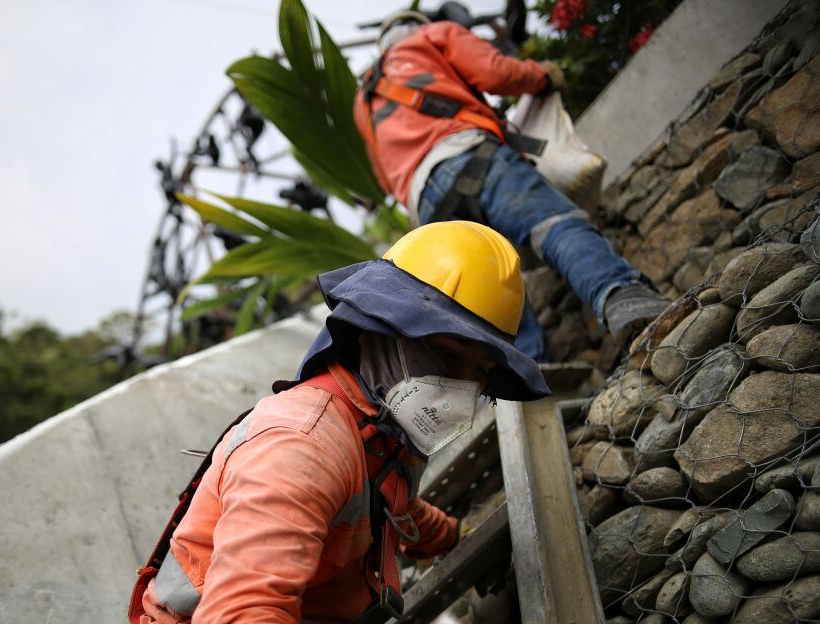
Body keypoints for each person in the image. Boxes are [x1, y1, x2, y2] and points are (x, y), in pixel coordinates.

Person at [129, 221, 550, 623]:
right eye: (449, 355)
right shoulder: (301, 447)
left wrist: (457, 536)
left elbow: (390, 504)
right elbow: (244, 610)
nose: (462, 385)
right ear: (380, 331)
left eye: (479, 372)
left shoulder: (377, 432)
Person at [353, 10, 668, 356]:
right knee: (555, 226)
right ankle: (624, 298)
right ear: (415, 26)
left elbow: (384, 177)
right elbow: (496, 72)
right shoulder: (433, 36)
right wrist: (543, 76)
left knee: (489, 296)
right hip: (474, 154)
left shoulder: (363, 102)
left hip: (427, 203)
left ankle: (530, 384)